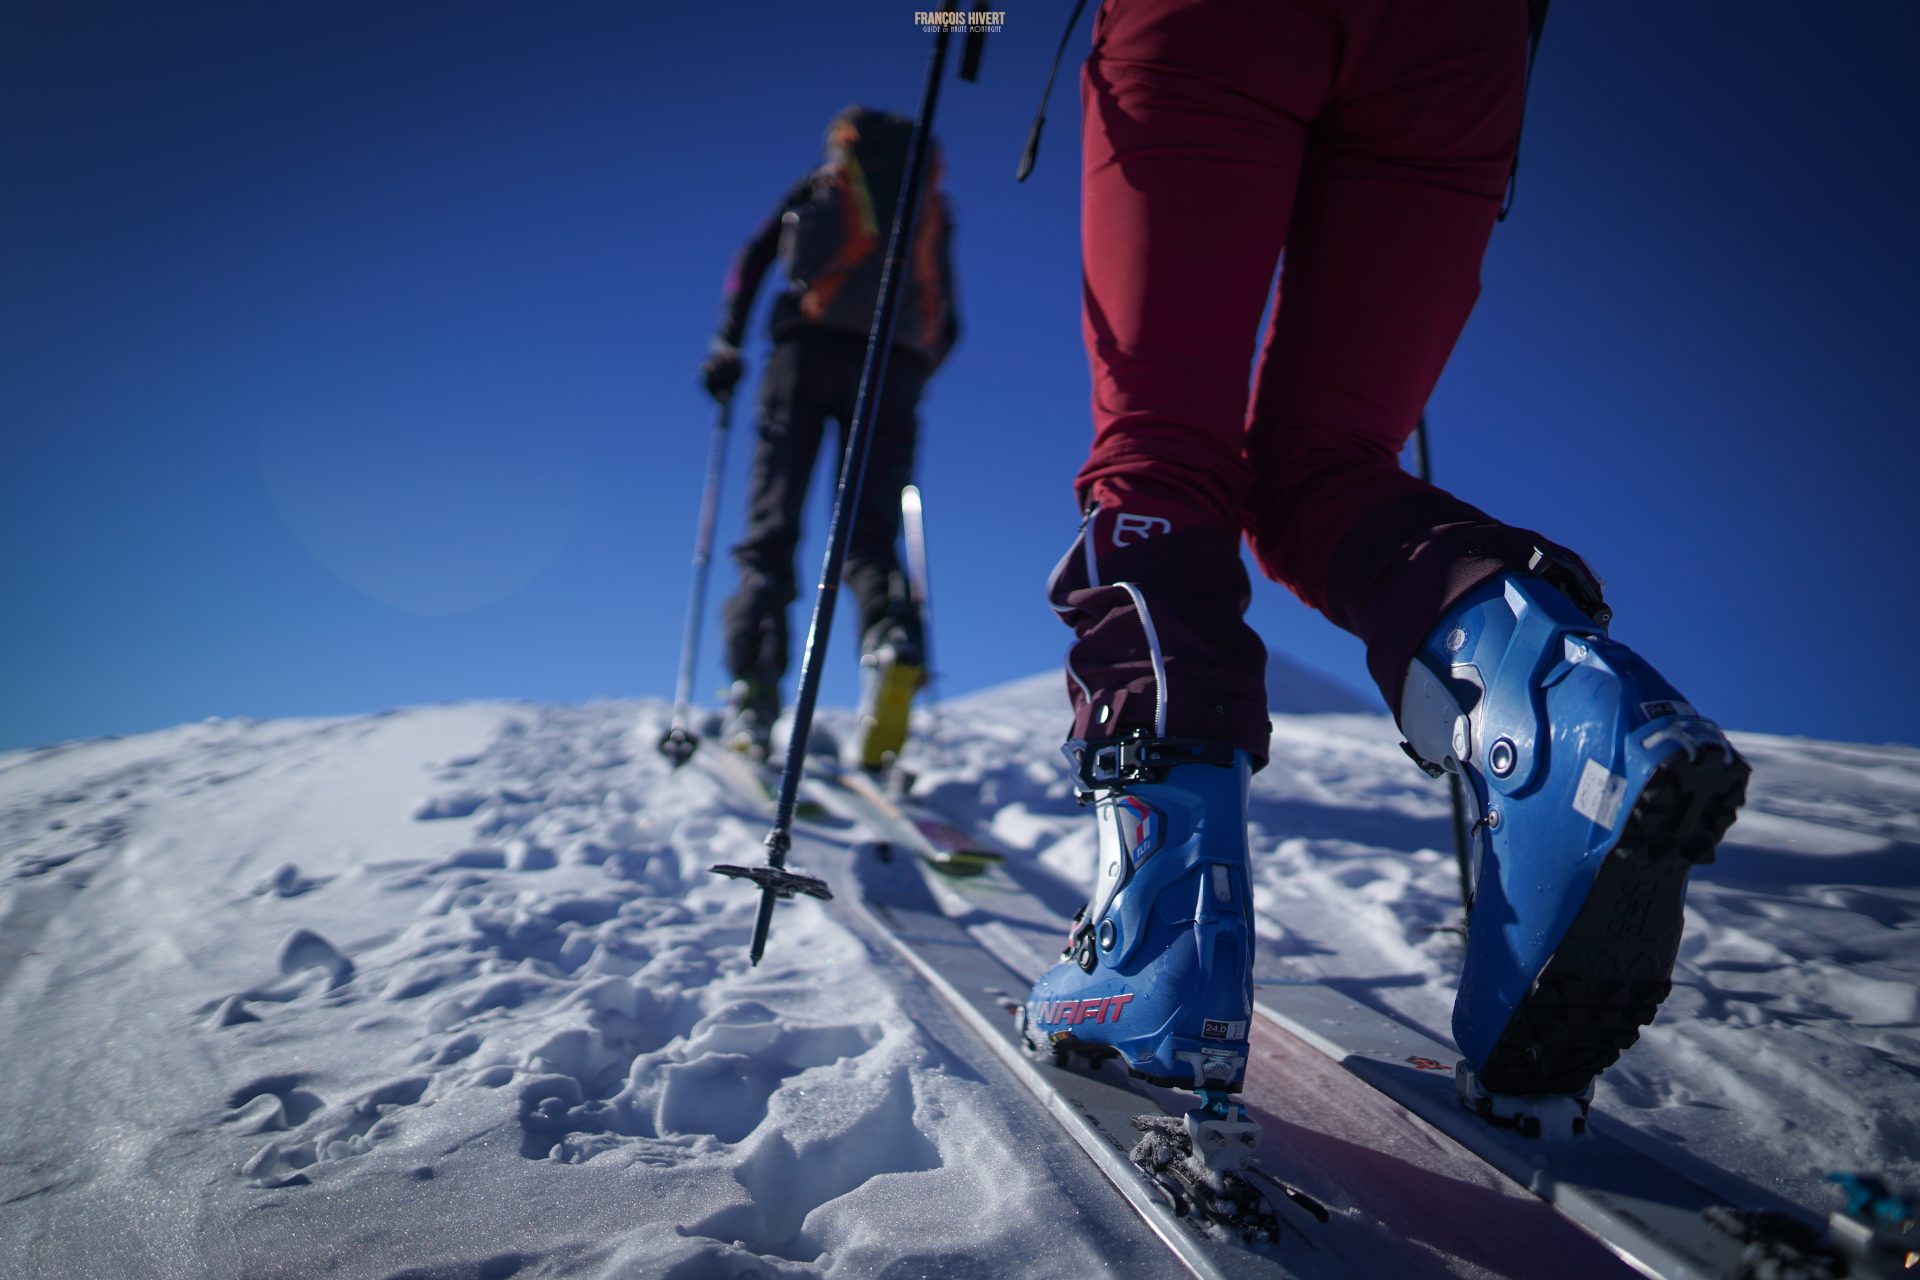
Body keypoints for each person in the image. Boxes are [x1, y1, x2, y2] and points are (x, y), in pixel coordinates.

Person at [1022, 0, 1750, 1136]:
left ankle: (1162, 941)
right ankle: (1555, 707)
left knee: (1165, 446)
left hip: (1210, 33)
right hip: (1458, 47)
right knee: (1325, 466)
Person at [700, 106, 960, 767]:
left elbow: (754, 258)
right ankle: (890, 645)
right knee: (870, 533)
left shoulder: (820, 186)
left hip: (804, 355)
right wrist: (913, 381)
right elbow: (948, 319)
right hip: (892, 364)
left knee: (773, 524)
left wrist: (727, 342)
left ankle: (753, 690)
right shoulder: (928, 203)